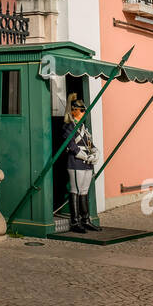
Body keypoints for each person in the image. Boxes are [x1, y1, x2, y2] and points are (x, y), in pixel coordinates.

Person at [64, 96, 100, 233]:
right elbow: (71, 144)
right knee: (76, 190)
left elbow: (90, 143)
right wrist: (83, 155)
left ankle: (85, 220)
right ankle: (75, 222)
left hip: (87, 163)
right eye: (81, 110)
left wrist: (95, 152)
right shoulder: (69, 126)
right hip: (76, 162)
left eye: (84, 110)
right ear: (73, 111)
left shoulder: (84, 127)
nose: (83, 112)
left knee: (84, 191)